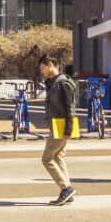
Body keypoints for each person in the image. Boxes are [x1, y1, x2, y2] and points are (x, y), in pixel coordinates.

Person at [40, 56, 78, 205]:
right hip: (57, 125)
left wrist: (68, 129)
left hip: (62, 126)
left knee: (47, 158)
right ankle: (67, 191)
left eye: (42, 68)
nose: (42, 72)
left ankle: (65, 188)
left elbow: (70, 108)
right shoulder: (53, 82)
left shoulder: (63, 83)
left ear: (50, 65)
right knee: (58, 157)